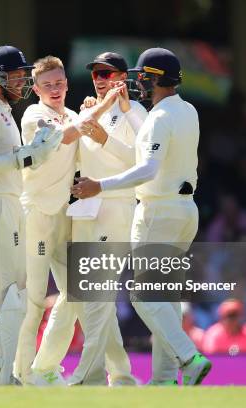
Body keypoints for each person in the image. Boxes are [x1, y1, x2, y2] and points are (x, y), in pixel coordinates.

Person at [72, 48, 212, 385]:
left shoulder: (160, 117)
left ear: (156, 79)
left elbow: (146, 167)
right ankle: (164, 379)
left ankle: (190, 358)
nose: (140, 84)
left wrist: (98, 186)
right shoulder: (186, 110)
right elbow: (146, 144)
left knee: (144, 294)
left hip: (157, 212)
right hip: (184, 212)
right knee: (165, 296)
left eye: (144, 78)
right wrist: (127, 113)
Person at [32, 52, 147, 386]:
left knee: (94, 297)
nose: (100, 79)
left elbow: (142, 164)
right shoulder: (86, 110)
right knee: (86, 297)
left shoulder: (135, 112)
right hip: (82, 210)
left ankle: (87, 374)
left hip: (114, 207)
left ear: (122, 78)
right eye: (97, 73)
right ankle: (120, 374)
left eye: (108, 74)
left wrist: (105, 139)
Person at [0, 45, 63, 386]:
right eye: (15, 77)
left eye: (22, 77)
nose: (20, 83)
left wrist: (33, 155)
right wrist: (28, 155)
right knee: (6, 294)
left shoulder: (3, 110)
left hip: (6, 202)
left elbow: (7, 161)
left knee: (12, 292)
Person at [13, 55, 79, 384]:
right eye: (47, 85)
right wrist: (99, 109)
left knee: (77, 293)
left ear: (67, 84)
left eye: (59, 83)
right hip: (37, 213)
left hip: (65, 215)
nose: (55, 89)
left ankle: (44, 368)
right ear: (36, 89)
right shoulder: (34, 115)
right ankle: (22, 374)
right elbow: (62, 137)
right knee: (35, 300)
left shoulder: (75, 115)